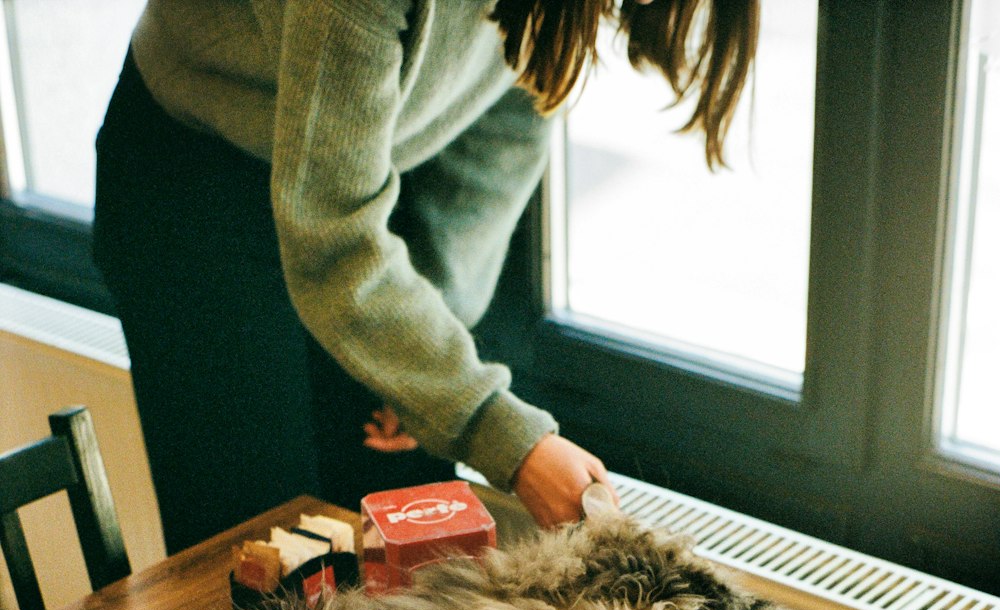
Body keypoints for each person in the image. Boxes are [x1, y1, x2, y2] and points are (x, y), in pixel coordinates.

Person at [93, 1, 759, 554]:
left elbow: (499, 141)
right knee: (263, 550)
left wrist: (422, 373)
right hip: (195, 176)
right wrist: (493, 428)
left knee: (399, 540)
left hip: (370, 174)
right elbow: (332, 237)